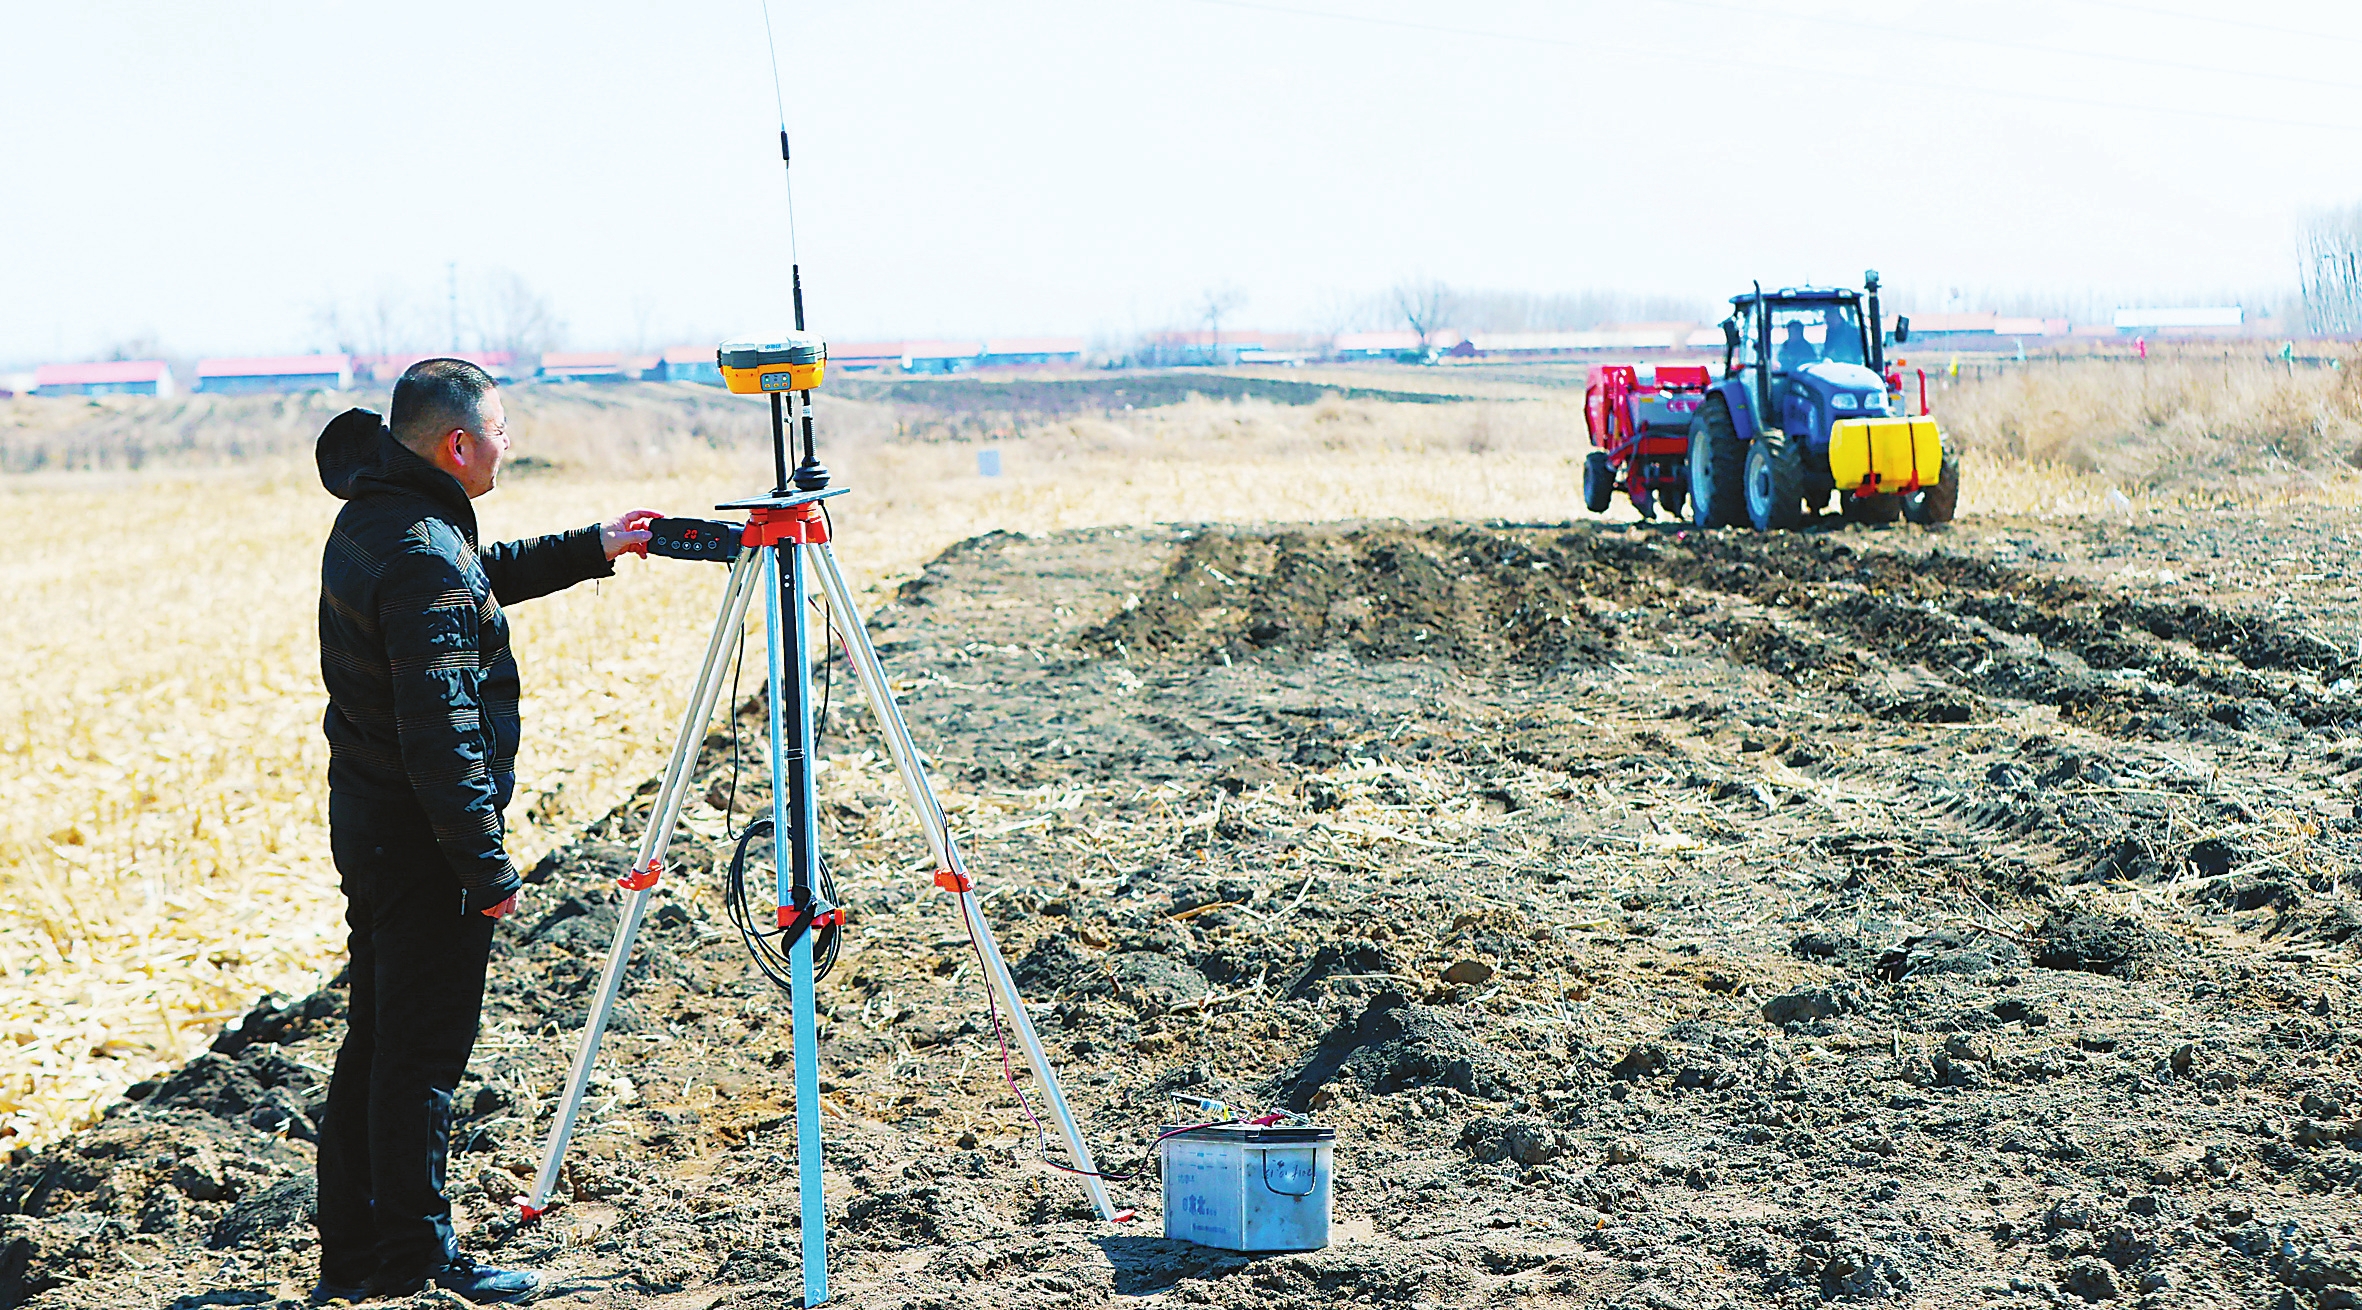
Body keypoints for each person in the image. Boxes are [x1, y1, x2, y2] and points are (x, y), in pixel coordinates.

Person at [310, 358, 657, 1302]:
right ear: (458, 444)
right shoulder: (420, 549)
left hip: (375, 828)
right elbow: (443, 733)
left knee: (377, 1041)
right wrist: (487, 866)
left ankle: (358, 1256)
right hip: (423, 844)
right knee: (418, 1059)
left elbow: (471, 584)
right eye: (502, 428)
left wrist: (597, 544)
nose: (510, 442)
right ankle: (418, 1263)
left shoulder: (385, 517)